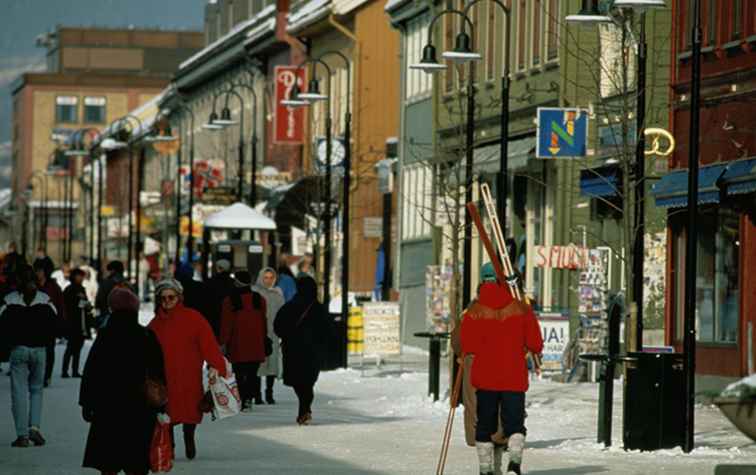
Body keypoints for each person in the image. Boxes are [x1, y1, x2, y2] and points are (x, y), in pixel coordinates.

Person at [460, 281, 544, 475]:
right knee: (515, 423)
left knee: (485, 424)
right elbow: (535, 343)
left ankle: (485, 469)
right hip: (513, 376)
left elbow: (468, 345)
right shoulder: (522, 309)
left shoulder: (474, 311)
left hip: (485, 376)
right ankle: (514, 463)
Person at [79, 287, 165, 475]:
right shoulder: (146, 336)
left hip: (108, 408)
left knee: (108, 464)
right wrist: (161, 405)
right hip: (140, 408)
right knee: (137, 464)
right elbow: (158, 373)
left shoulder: (105, 336)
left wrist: (87, 403)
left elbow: (92, 372)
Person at [148, 278, 227, 461]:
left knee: (190, 410)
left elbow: (208, 344)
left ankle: (189, 437)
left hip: (189, 374)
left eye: (171, 297)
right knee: (168, 413)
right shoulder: (154, 324)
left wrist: (217, 366)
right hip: (164, 377)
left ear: (179, 297)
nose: (167, 301)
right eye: (163, 298)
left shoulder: (194, 318)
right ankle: (171, 443)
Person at [451, 263, 508, 464]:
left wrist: (461, 354)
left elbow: (457, 340)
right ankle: (498, 446)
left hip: (475, 361)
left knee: (476, 404)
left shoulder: (471, 310)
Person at [0, 264, 59, 447]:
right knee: (36, 390)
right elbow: (56, 324)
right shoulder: (45, 300)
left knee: (19, 393)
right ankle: (34, 427)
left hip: (18, 350)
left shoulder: (9, 301)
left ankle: (22, 435)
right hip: (40, 350)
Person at [274, 276, 329, 425]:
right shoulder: (318, 308)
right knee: (308, 382)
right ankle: (305, 409)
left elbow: (277, 327)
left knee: (298, 382)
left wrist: (288, 335)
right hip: (313, 352)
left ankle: (304, 410)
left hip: (293, 350)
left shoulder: (289, 306)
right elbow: (327, 331)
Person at [219, 271, 267, 411]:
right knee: (253, 373)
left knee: (239, 373)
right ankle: (249, 399)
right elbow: (264, 321)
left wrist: (223, 342)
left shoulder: (229, 301)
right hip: (256, 342)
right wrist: (264, 338)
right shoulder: (259, 299)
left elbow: (226, 324)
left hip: (237, 343)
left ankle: (242, 398)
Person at [253, 267, 285, 404]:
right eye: (266, 277)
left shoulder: (278, 294)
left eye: (271, 278)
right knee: (258, 364)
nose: (268, 281)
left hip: (273, 333)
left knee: (272, 363)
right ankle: (257, 395)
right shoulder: (255, 293)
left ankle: (269, 393)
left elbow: (283, 314)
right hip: (258, 333)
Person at [33, 257, 64, 387]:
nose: (38, 273)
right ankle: (36, 375)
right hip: (34, 323)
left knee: (49, 350)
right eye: (36, 271)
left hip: (50, 323)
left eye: (40, 270)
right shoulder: (32, 285)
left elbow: (60, 305)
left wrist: (61, 322)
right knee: (35, 350)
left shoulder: (53, 286)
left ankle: (47, 376)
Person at [62, 268, 93, 378]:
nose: (81, 278)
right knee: (71, 347)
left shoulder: (82, 289)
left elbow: (84, 304)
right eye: (79, 276)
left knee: (78, 347)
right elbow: (69, 305)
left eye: (82, 276)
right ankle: (65, 370)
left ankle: (75, 370)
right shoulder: (69, 289)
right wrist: (83, 303)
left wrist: (86, 305)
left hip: (81, 321)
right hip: (72, 322)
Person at [94, 261, 132, 329]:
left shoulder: (106, 283)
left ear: (112, 271)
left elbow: (99, 300)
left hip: (108, 317)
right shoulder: (128, 284)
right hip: (127, 319)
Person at [205, 259, 235, 338]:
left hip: (214, 316)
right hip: (230, 317)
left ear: (219, 268)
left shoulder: (211, 282)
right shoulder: (233, 283)